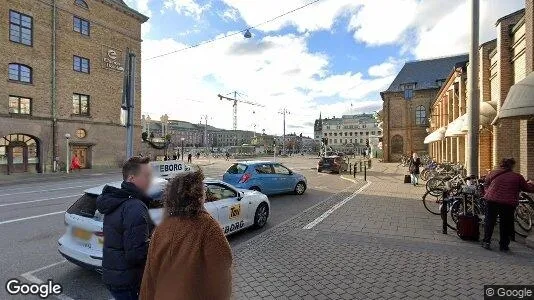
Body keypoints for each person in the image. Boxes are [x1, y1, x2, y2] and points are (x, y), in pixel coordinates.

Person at [140, 170, 233, 300]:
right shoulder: (208, 227)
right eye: (203, 189)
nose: (205, 192)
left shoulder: (161, 228)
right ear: (198, 196)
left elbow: (149, 277)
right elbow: (221, 275)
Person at [96, 156, 154, 300]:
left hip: (115, 275)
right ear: (132, 178)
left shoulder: (119, 200)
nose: (150, 180)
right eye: (147, 176)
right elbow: (136, 252)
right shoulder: (134, 206)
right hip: (128, 280)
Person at [482, 158, 534, 251]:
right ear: (512, 166)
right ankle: (503, 245)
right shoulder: (517, 177)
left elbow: (486, 184)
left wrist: (488, 192)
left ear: (501, 165)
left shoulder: (492, 173)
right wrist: (532, 184)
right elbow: (527, 188)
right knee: (505, 224)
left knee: (490, 221)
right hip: (507, 203)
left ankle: (486, 242)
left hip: (491, 200)